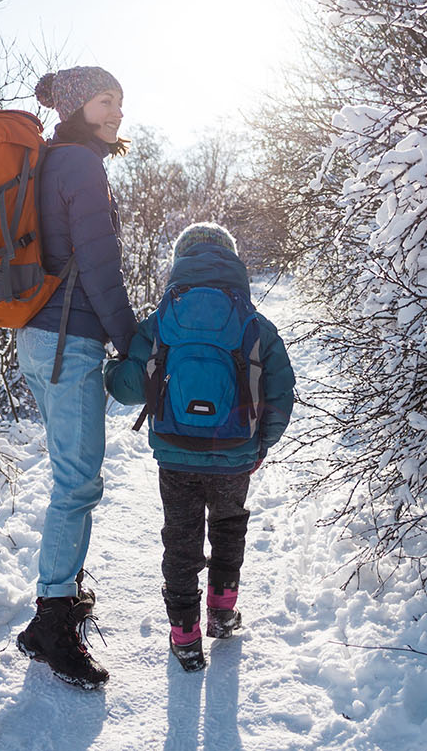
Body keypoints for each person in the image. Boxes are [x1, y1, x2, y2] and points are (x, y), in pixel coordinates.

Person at [105, 222, 296, 671]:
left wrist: (110, 372)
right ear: (231, 260)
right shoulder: (253, 320)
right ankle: (223, 615)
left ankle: (185, 637)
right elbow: (282, 391)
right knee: (229, 526)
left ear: (180, 261)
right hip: (234, 454)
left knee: (181, 538)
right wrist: (260, 444)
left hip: (175, 451)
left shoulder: (162, 318)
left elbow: (132, 387)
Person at [12, 66, 137, 690]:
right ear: (75, 105)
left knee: (72, 478)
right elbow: (99, 263)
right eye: (104, 100)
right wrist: (132, 340)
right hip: (69, 340)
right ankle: (52, 622)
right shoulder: (81, 166)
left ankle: (57, 601)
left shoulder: (50, 160)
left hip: (38, 339)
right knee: (78, 484)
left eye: (120, 100)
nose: (116, 111)